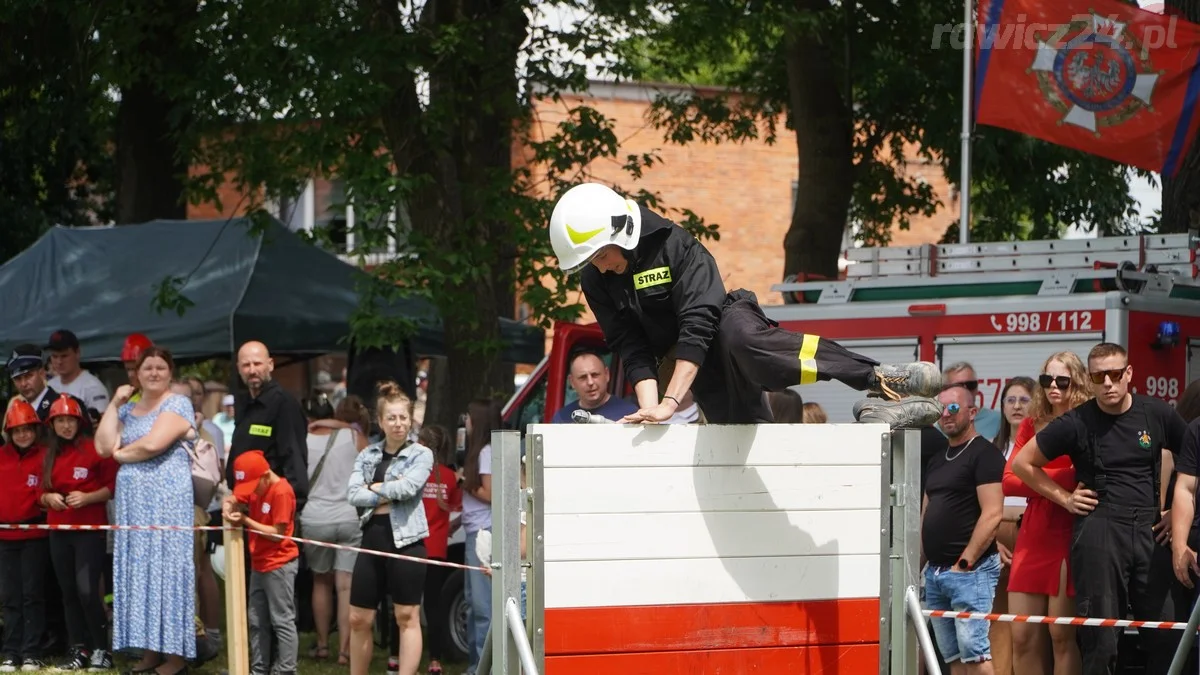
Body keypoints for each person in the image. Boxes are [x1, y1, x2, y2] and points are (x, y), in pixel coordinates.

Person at [546, 182, 942, 426]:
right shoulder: (596, 278)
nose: (599, 268)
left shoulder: (674, 245)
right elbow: (630, 347)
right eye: (589, 262)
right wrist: (652, 410)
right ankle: (879, 413)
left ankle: (878, 378)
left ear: (623, 232)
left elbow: (698, 323)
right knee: (742, 440)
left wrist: (670, 401)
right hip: (692, 365)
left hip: (721, 323)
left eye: (599, 256)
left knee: (745, 342)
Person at [1013, 343, 1186, 675]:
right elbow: (1022, 464)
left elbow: (1191, 464)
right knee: (1101, 641)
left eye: (1115, 374)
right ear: (1090, 380)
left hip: (1150, 530)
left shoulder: (1157, 413)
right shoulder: (1077, 421)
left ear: (1129, 374)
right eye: (1099, 376)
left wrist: (1173, 512)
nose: (1108, 383)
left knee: (1167, 636)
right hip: (1099, 530)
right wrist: (1064, 498)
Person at [94, 346, 198, 673]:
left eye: (160, 367)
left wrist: (122, 454)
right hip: (133, 507)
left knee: (167, 573)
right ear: (136, 374)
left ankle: (177, 658)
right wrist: (114, 404)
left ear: (170, 373)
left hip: (166, 504)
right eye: (147, 367)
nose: (154, 373)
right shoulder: (128, 410)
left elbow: (153, 444)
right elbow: (101, 445)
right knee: (141, 575)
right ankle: (151, 653)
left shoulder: (178, 403)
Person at [1002, 359, 1088, 675]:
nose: (1053, 386)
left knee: (1062, 636)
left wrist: (1035, 475)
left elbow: (1085, 479)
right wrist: (1059, 482)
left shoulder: (1086, 423)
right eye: (1046, 379)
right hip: (1033, 534)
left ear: (1077, 382)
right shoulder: (1032, 423)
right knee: (1022, 635)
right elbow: (1008, 480)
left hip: (1068, 532)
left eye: (1062, 381)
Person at [345, 382, 433, 675]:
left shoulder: (421, 454)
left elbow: (408, 488)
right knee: (358, 618)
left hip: (407, 540)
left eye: (403, 417)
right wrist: (386, 491)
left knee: (406, 615)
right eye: (392, 418)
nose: (399, 424)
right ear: (381, 422)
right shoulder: (368, 455)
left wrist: (375, 487)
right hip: (372, 538)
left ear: (411, 419)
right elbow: (352, 494)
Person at [922, 385, 1005, 674]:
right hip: (936, 574)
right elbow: (926, 515)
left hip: (971, 571)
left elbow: (993, 513)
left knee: (976, 654)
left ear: (972, 412)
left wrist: (965, 562)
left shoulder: (986, 454)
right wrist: (922, 567)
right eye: (940, 409)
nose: (945, 414)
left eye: (953, 408)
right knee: (953, 657)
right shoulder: (937, 459)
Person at [39, 395, 117, 672]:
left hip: (88, 530)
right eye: (60, 421)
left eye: (70, 420)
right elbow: (39, 492)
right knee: (68, 591)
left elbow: (112, 487)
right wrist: (48, 499)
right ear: (53, 424)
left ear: (79, 421)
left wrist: (88, 497)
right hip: (58, 530)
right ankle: (78, 648)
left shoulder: (93, 449)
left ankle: (101, 649)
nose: (66, 426)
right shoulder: (48, 454)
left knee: (87, 590)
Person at [225, 450, 300, 675]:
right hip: (259, 563)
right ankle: (259, 669)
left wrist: (246, 520)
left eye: (253, 485)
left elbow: (278, 534)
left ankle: (286, 669)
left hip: (279, 564)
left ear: (266, 475)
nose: (251, 492)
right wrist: (229, 505)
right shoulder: (258, 487)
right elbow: (234, 497)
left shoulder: (281, 492)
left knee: (282, 620)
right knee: (257, 620)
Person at [227, 341, 309, 508]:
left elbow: (293, 456)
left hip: (274, 505)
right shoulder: (246, 404)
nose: (252, 370)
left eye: (257, 363)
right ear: (238, 368)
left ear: (270, 365)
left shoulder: (283, 403)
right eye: (246, 365)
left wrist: (291, 503)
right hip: (245, 502)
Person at [0, 400, 50, 672]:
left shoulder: (45, 455)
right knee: (10, 597)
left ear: (35, 430)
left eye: (27, 429)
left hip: (34, 536)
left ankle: (31, 651)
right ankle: (10, 652)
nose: (22, 435)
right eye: (17, 430)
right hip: (5, 538)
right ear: (9, 431)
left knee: (33, 595)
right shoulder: (0, 456)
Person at [460, 399, 502, 675]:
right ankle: (476, 665)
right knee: (473, 601)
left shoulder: (486, 452)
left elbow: (492, 495)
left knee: (482, 605)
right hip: (473, 531)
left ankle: (484, 668)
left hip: (483, 534)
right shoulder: (481, 452)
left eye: (469, 418)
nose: (465, 422)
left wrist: (462, 482)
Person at [418, 425, 463, 675]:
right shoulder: (449, 477)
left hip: (413, 547)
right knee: (433, 606)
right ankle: (435, 660)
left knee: (407, 605)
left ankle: (395, 656)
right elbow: (456, 507)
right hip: (436, 549)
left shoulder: (414, 474)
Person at [551, 349, 637, 423]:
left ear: (607, 375)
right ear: (572, 382)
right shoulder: (561, 418)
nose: (590, 382)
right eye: (583, 377)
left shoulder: (630, 415)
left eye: (595, 375)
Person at [45, 330, 110, 423]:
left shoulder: (93, 387)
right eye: (54, 356)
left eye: (64, 356)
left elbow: (102, 425)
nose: (59, 362)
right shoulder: (50, 385)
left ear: (77, 353)